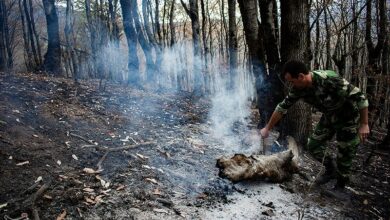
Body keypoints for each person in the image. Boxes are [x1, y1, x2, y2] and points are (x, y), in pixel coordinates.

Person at [260, 60, 370, 190]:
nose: (291, 85)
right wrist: (267, 128)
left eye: (292, 81)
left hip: (348, 117)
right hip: (329, 116)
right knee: (313, 145)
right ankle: (331, 169)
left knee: (345, 151)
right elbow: (282, 108)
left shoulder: (329, 80)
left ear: (301, 76)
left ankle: (341, 187)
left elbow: (360, 97)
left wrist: (364, 124)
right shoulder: (299, 89)